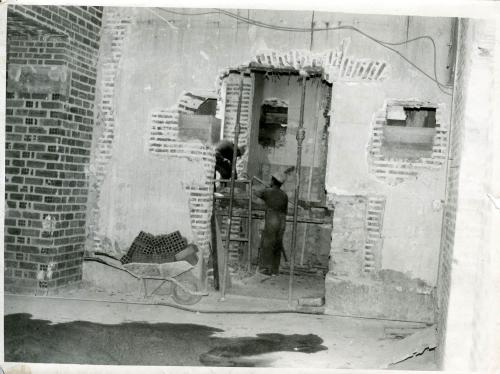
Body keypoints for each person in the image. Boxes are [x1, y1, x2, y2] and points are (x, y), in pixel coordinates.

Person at [254, 172, 289, 276]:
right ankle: (275, 270)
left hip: (272, 218)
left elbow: (256, 193)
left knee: (268, 243)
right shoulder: (284, 195)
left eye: (271, 180)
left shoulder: (268, 191)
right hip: (282, 220)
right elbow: (285, 210)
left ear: (273, 181)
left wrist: (267, 188)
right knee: (277, 244)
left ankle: (265, 269)